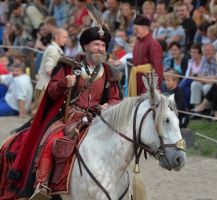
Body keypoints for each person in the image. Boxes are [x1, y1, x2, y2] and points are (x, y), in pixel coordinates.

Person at [6, 25, 121, 198]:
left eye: (103, 45)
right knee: (52, 140)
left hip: (96, 119)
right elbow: (51, 91)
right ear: (86, 47)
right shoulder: (68, 66)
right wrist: (63, 84)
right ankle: (41, 185)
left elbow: (116, 98)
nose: (100, 48)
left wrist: (108, 106)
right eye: (96, 44)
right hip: (69, 116)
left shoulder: (110, 73)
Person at [32, 28, 69, 114]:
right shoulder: (53, 49)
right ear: (56, 37)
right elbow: (49, 70)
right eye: (64, 37)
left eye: (66, 37)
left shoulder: (56, 49)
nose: (66, 39)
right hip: (45, 86)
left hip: (47, 85)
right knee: (37, 114)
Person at [129, 15, 163, 96]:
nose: (135, 31)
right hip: (136, 81)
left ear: (145, 28)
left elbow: (157, 68)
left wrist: (154, 88)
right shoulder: (138, 43)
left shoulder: (153, 44)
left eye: (136, 28)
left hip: (147, 83)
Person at [190, 44, 217, 108]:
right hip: (206, 82)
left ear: (214, 51)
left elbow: (216, 79)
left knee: (207, 87)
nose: (207, 52)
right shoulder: (204, 61)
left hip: (216, 84)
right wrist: (204, 78)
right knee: (195, 84)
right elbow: (201, 75)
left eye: (209, 50)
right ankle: (196, 107)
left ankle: (208, 109)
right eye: (205, 50)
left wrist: (201, 78)